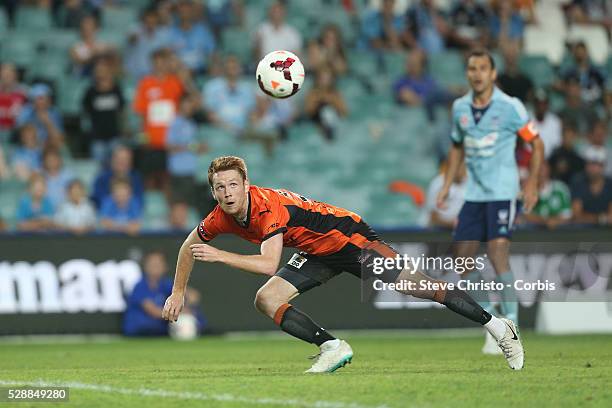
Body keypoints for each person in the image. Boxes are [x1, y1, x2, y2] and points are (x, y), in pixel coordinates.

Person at [162, 156, 525, 373]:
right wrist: (177, 291)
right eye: (219, 187)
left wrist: (221, 256)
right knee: (266, 299)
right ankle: (333, 347)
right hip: (316, 250)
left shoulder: (265, 206)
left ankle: (498, 325)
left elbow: (269, 263)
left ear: (246, 185)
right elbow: (186, 247)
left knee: (422, 287)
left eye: (232, 185)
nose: (226, 194)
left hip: (350, 240)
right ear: (213, 191)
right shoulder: (219, 216)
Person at [437, 49, 543, 356]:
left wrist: (532, 182)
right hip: (474, 195)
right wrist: (446, 185)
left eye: (483, 68)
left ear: (493, 74)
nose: (477, 73)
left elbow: (536, 143)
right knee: (462, 261)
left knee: (497, 253)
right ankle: (495, 325)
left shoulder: (510, 107)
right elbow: (457, 146)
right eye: (472, 68)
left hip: (502, 192)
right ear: (467, 73)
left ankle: (513, 326)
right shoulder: (460, 108)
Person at [124, 250, 204, 336]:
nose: (155, 266)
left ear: (165, 266)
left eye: (158, 263)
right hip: (140, 332)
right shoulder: (140, 286)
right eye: (152, 264)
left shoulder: (166, 283)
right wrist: (181, 312)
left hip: (160, 331)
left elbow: (193, 296)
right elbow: (153, 311)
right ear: (145, 266)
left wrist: (187, 305)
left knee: (188, 321)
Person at [81, 58, 126, 163]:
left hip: (115, 135)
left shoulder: (116, 89)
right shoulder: (90, 92)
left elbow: (122, 111)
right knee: (98, 167)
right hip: (97, 137)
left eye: (104, 70)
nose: (101, 73)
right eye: (98, 70)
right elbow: (85, 113)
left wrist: (124, 128)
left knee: (118, 165)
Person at [166, 95, 207, 205]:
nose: (188, 109)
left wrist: (200, 148)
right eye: (186, 106)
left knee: (190, 205)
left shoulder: (192, 124)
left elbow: (194, 147)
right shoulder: (174, 123)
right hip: (178, 171)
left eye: (190, 107)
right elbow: (170, 147)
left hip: (191, 170)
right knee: (179, 204)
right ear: (181, 106)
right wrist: (191, 147)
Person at [203, 55, 255, 134]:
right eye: (228, 68)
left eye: (234, 68)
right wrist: (229, 127)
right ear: (223, 69)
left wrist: (248, 127)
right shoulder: (212, 86)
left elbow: (251, 113)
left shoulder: (247, 88)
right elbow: (210, 114)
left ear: (240, 69)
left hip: (243, 129)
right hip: (219, 129)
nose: (231, 71)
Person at [168, 0, 216, 74]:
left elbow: (212, 53)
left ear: (192, 12)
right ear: (178, 14)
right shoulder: (172, 32)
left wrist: (211, 66)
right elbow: (168, 55)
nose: (185, 13)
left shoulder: (203, 31)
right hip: (178, 72)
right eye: (182, 11)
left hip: (201, 71)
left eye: (187, 11)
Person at [520, 162, 572, 229]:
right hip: (532, 233)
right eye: (538, 168)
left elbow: (567, 214)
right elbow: (525, 214)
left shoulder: (560, 188)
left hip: (558, 232)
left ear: (549, 169)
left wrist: (555, 221)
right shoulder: (527, 189)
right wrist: (544, 221)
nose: (541, 171)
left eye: (543, 168)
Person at [570, 146, 612, 226]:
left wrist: (589, 218)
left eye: (597, 164)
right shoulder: (578, 183)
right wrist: (601, 219)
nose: (593, 168)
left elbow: (611, 217)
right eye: (590, 164)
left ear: (603, 166)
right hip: (582, 233)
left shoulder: (610, 184)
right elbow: (576, 216)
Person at [16, 83, 64, 150]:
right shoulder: (26, 112)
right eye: (37, 99)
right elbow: (20, 134)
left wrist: (48, 122)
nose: (39, 102)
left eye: (42, 98)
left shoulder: (55, 113)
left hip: (49, 148)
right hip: (29, 146)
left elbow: (60, 139)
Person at [304, 68, 348, 141]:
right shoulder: (312, 94)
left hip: (335, 124)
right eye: (322, 78)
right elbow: (308, 112)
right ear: (318, 79)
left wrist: (332, 101)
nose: (325, 81)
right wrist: (319, 101)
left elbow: (344, 112)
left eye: (327, 78)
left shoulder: (336, 94)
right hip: (317, 125)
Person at [420, 161, 466, 228]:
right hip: (432, 231)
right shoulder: (438, 183)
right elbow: (433, 217)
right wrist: (453, 224)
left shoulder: (468, 183)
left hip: (458, 230)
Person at [532, 90, 561, 159]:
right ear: (534, 104)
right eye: (539, 103)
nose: (541, 107)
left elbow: (556, 145)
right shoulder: (527, 120)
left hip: (551, 160)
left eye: (544, 104)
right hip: (531, 159)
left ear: (547, 105)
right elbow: (526, 146)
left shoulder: (555, 121)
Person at [0, 63, 27, 132]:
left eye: (9, 75)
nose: (6, 77)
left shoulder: (24, 92)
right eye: (4, 75)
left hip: (18, 131)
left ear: (15, 76)